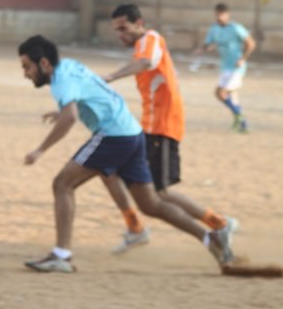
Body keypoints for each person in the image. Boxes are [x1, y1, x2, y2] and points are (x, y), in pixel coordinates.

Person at [19, 35, 235, 273]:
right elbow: (87, 94)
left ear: (45, 64)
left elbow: (71, 116)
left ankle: (61, 255)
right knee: (151, 204)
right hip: (132, 132)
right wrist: (61, 111)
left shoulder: (61, 82)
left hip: (112, 135)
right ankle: (209, 238)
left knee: (62, 184)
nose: (25, 74)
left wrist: (40, 149)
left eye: (27, 67)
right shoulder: (69, 65)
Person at [101, 4, 238, 254]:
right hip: (150, 127)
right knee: (109, 168)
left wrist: (110, 77)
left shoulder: (150, 39)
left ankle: (219, 224)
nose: (121, 34)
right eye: (116, 30)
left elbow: (147, 62)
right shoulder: (143, 44)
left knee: (159, 193)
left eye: (124, 28)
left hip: (162, 127)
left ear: (139, 23)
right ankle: (135, 228)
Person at [193, 3, 255, 133]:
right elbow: (209, 44)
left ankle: (240, 116)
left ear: (228, 14)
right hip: (225, 67)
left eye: (221, 14)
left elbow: (251, 43)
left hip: (237, 67)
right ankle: (242, 124)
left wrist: (243, 58)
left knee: (220, 92)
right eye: (217, 14)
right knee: (228, 96)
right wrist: (202, 49)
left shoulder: (236, 28)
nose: (219, 17)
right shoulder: (214, 29)